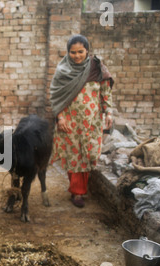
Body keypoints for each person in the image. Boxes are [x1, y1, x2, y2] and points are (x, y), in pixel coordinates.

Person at [50, 35, 114, 208]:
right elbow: (56, 96)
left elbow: (105, 92)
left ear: (87, 50)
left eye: (80, 52)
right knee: (75, 157)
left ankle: (80, 187)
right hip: (70, 122)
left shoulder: (97, 67)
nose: (77, 56)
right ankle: (77, 192)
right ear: (67, 52)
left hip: (92, 122)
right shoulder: (63, 70)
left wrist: (108, 112)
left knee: (88, 154)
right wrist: (60, 117)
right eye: (73, 52)